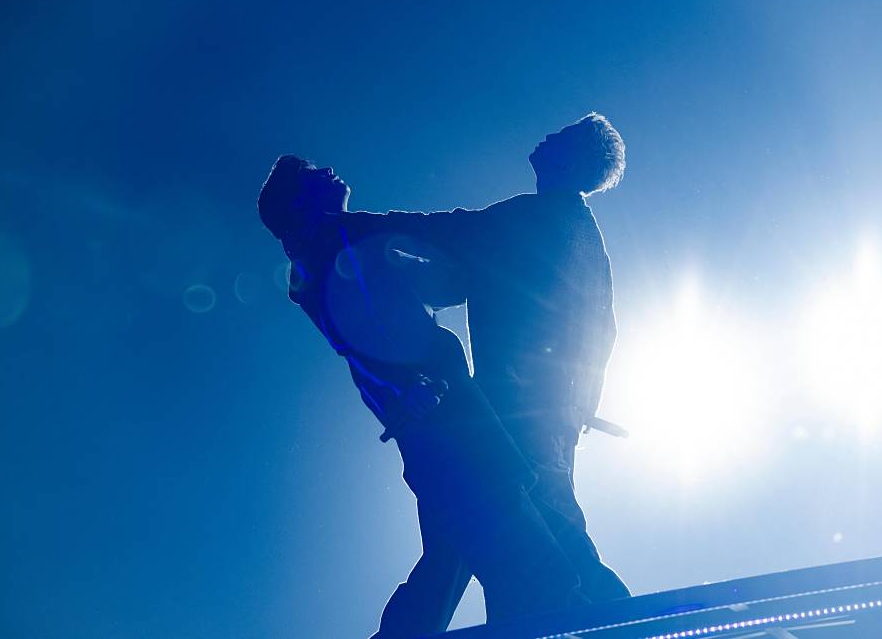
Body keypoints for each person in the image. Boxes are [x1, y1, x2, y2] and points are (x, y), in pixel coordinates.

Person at [257, 156, 582, 638]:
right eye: (313, 172)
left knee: (449, 557)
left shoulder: (336, 251)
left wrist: (458, 267)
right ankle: (564, 618)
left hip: (430, 415)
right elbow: (359, 331)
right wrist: (516, 225)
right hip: (443, 414)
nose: (329, 171)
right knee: (527, 549)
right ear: (302, 202)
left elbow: (441, 283)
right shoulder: (337, 239)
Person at [339, 113, 632, 607]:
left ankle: (620, 619)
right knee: (502, 527)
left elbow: (448, 231)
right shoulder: (575, 233)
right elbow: (463, 279)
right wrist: (582, 403)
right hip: (547, 405)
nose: (546, 136)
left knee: (543, 514)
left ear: (572, 159)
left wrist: (352, 227)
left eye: (561, 136)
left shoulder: (532, 218)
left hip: (524, 402)